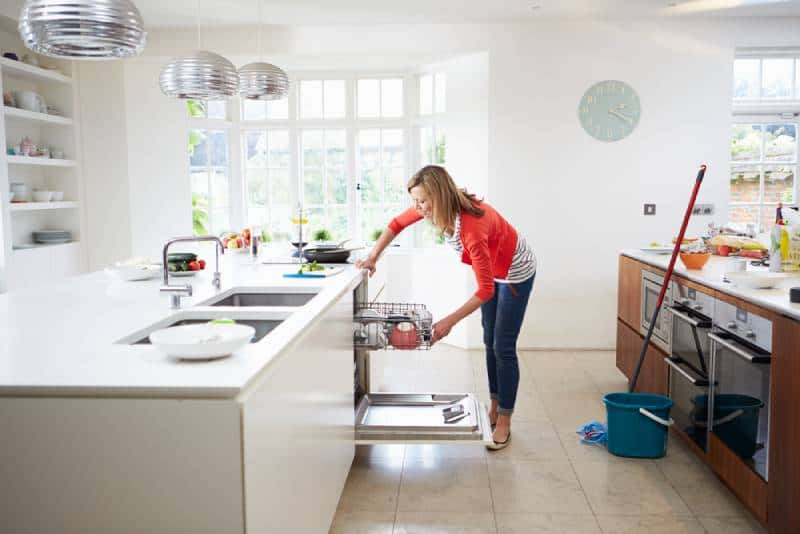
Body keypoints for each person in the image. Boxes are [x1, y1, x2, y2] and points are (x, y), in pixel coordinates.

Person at [356, 165, 537, 450]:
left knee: (502, 346)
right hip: (493, 270)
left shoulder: (472, 229)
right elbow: (395, 224)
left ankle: (505, 421)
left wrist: (448, 321)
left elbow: (486, 290)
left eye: (422, 201)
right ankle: (493, 406)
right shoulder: (435, 207)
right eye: (415, 201)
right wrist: (372, 257)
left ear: (438, 196)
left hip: (515, 272)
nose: (418, 208)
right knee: (488, 341)